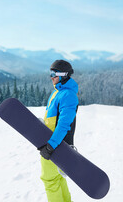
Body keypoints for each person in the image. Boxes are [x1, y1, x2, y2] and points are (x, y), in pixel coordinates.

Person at [38, 59, 79, 202]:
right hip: (51, 142)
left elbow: (63, 125)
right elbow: (53, 120)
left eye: (54, 73)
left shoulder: (68, 95)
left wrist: (50, 146)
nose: (51, 77)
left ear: (63, 74)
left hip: (54, 145)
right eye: (50, 73)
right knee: (56, 178)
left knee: (49, 180)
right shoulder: (58, 92)